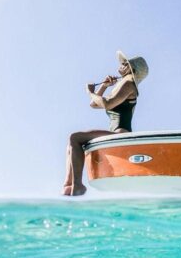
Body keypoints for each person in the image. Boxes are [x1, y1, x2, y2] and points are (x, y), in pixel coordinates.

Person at [63, 50, 149, 196]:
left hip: (120, 134)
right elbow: (94, 104)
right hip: (115, 133)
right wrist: (103, 86)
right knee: (71, 144)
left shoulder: (128, 84)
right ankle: (68, 184)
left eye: (124, 64)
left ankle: (77, 185)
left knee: (75, 137)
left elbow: (107, 104)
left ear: (131, 69)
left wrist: (90, 92)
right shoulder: (123, 84)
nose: (120, 66)